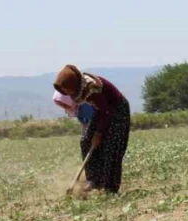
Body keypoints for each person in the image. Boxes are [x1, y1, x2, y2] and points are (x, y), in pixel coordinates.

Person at [52, 65, 131, 193]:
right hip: (101, 111)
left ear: (73, 84)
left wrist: (99, 134)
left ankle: (108, 187)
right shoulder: (80, 88)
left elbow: (107, 111)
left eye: (67, 90)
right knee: (86, 141)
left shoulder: (91, 89)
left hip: (117, 110)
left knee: (111, 147)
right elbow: (99, 109)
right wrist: (94, 134)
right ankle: (93, 181)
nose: (66, 93)